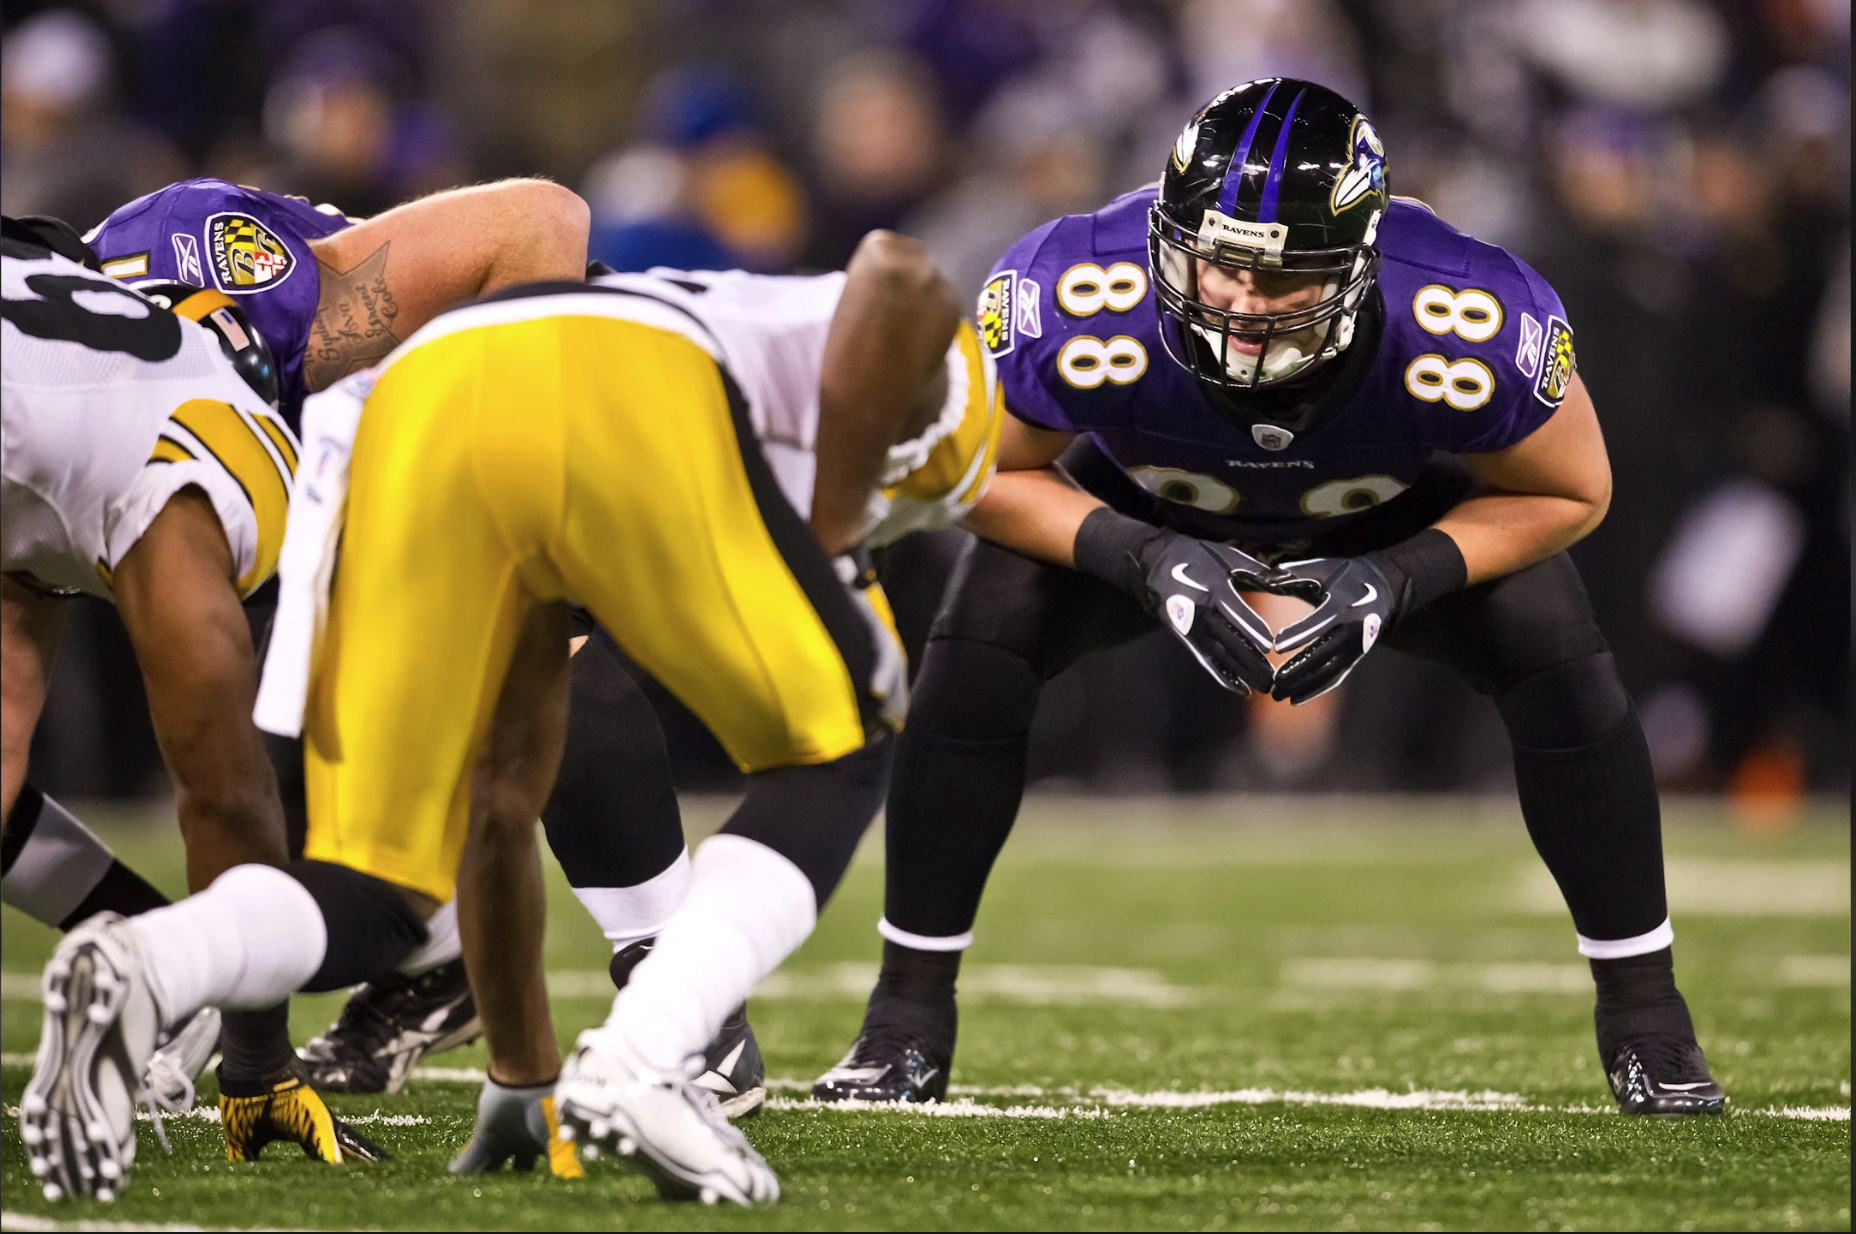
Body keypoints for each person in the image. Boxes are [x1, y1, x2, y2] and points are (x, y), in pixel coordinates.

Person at [811, 78, 1726, 1120]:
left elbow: (1574, 489)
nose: (1237, 300)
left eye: (1280, 277)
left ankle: (1647, 1018)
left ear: (1357, 262)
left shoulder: (1464, 309)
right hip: (1154, 504)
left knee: (1547, 634)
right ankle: (904, 1016)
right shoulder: (1074, 284)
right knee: (988, 622)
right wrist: (1140, 556)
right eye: (1216, 262)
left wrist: (1395, 576)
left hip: (1386, 513)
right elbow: (966, 472)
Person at [24, 230, 994, 1205]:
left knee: (385, 887)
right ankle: (650, 1056)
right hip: (626, 376)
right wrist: (825, 539)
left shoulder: (624, 490)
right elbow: (898, 271)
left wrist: (522, 1079)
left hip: (413, 403)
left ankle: (149, 958)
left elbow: (501, 801)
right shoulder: (948, 404)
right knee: (842, 745)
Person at [2, 226, 384, 1192]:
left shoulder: (74, 320)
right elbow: (221, 788)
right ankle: (191, 986)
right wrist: (258, 1063)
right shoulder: (216, 442)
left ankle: (167, 964)